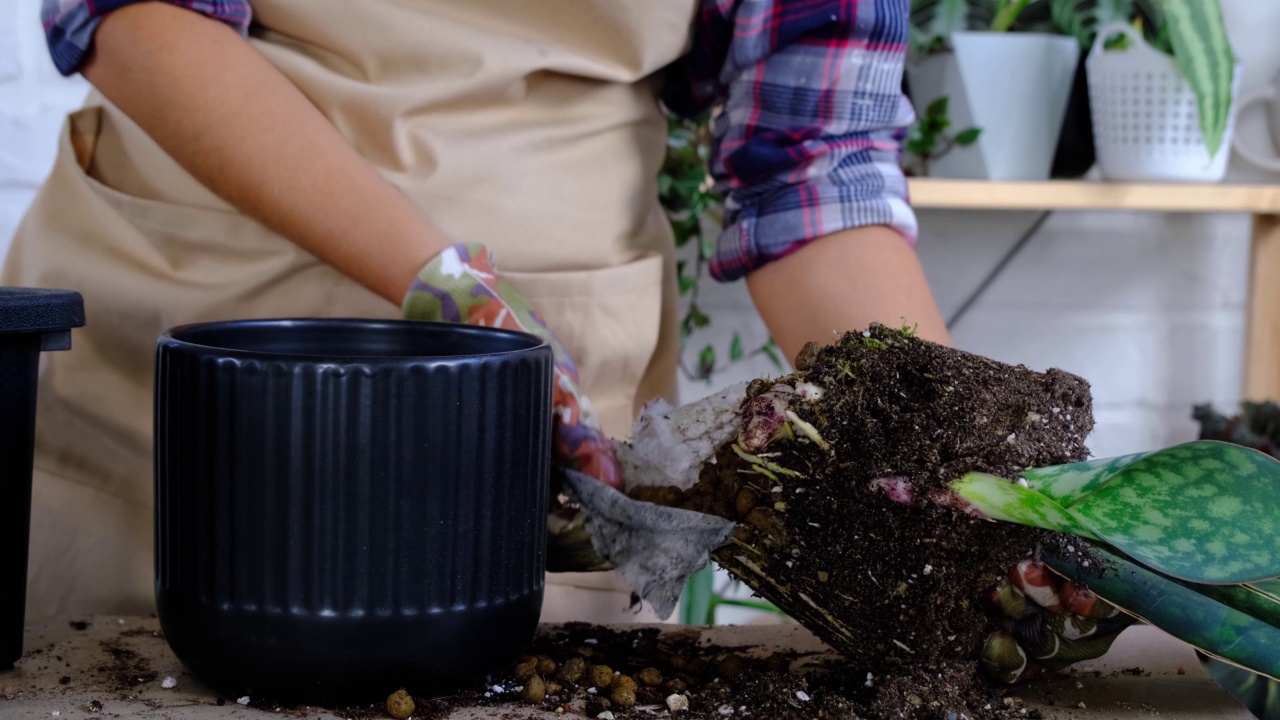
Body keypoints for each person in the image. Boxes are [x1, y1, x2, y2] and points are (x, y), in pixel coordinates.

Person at [7, 0, 1128, 683]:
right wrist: (443, 287)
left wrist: (962, 486)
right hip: (182, 360)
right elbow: (131, 14)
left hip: (539, 419)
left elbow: (808, 162)